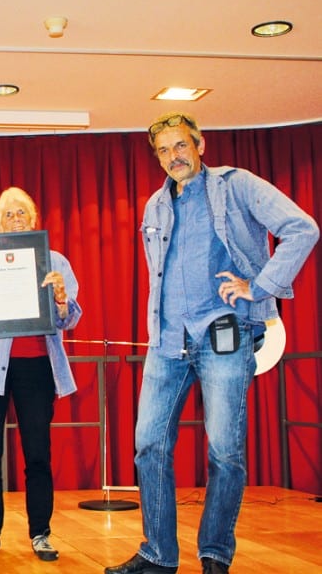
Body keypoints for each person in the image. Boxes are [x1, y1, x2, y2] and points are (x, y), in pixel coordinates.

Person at [105, 113, 319, 574]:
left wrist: (259, 286)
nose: (172, 157)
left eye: (180, 146)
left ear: (200, 144)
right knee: (148, 445)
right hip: (166, 341)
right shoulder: (154, 206)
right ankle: (159, 554)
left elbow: (303, 228)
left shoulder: (236, 185)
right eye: (162, 150)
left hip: (225, 331)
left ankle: (215, 552)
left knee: (224, 449)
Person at [0, 187, 82, 562]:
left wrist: (60, 297)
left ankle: (40, 532)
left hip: (37, 368)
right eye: (8, 215)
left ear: (34, 219)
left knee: (38, 453)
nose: (16, 219)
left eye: (22, 213)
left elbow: (70, 318)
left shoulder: (54, 260)